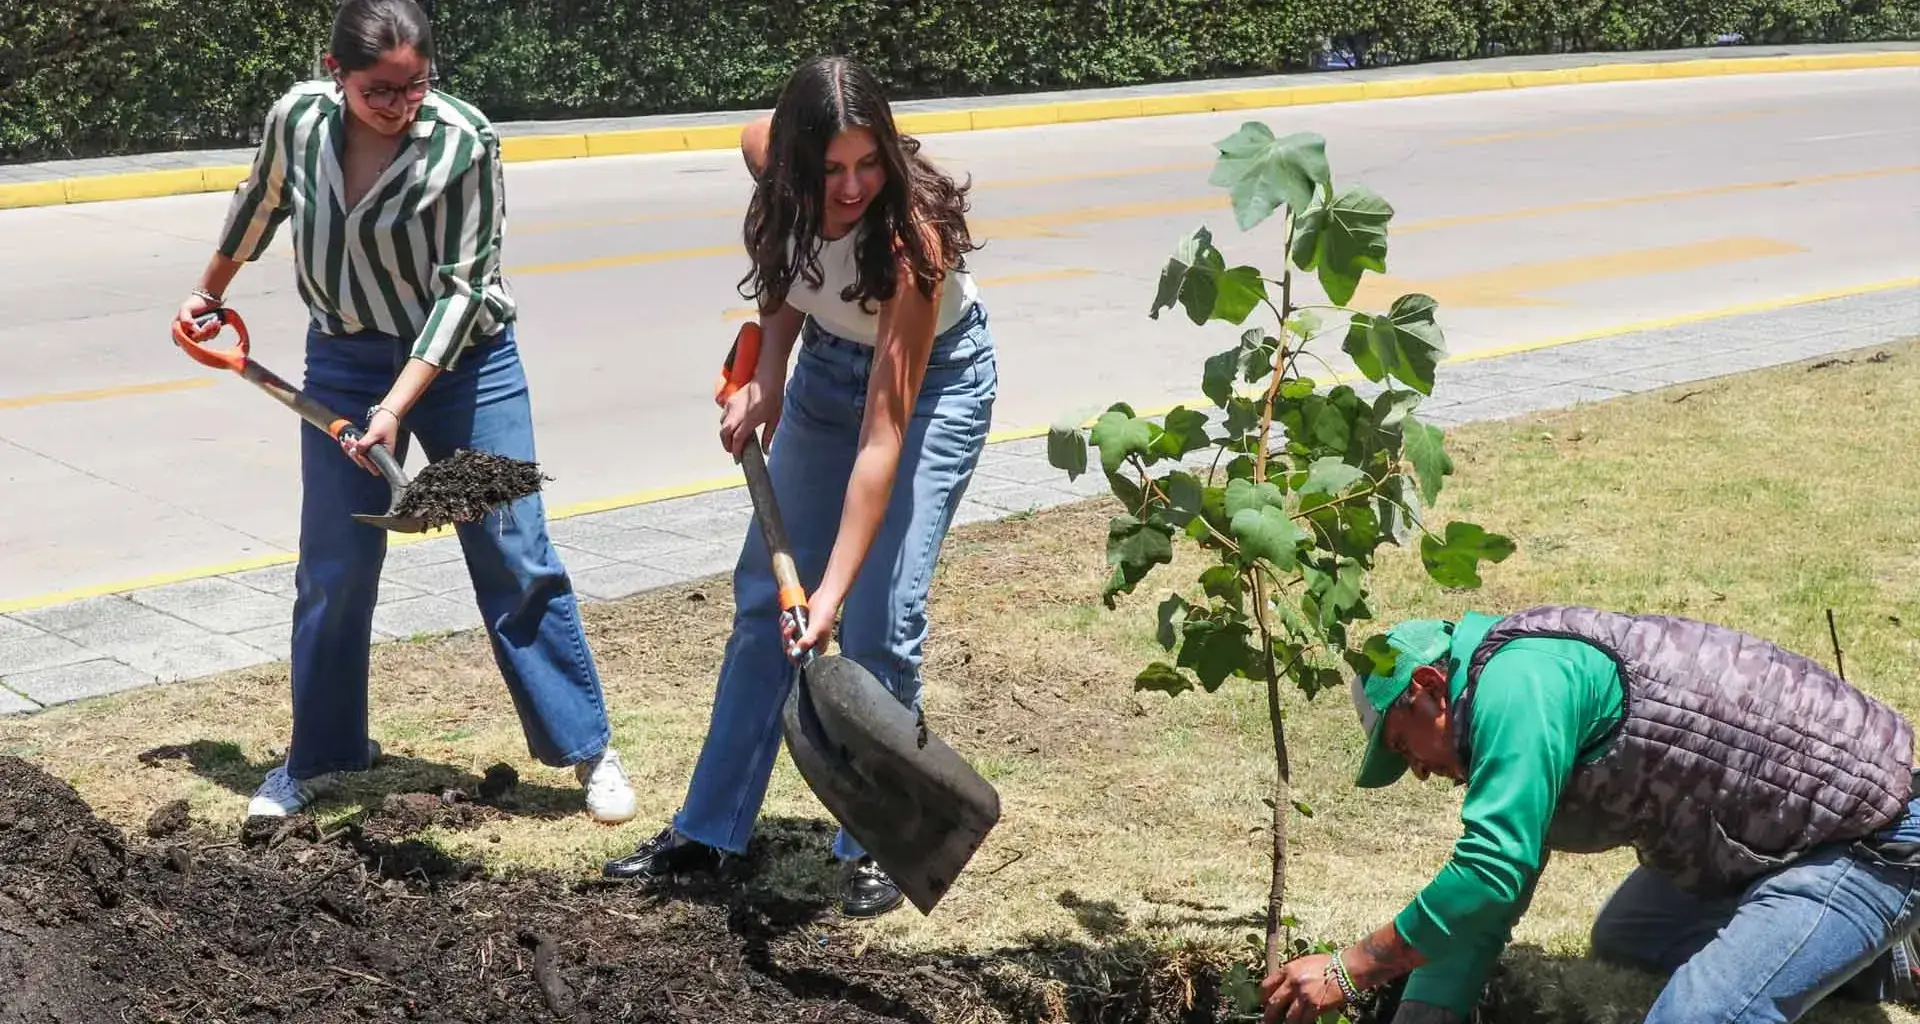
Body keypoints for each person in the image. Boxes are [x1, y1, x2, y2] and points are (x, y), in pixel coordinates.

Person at [174, 0, 635, 826]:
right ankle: (323, 754)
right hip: (344, 359)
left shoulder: (464, 140)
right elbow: (259, 203)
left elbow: (464, 290)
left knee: (513, 550)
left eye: (414, 85)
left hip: (467, 366)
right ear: (336, 74)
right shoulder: (297, 121)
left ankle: (587, 749)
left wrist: (393, 407)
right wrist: (208, 293)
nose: (399, 105)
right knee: (334, 566)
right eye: (378, 91)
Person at [600, 54, 997, 919]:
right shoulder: (766, 151)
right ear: (792, 161)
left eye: (869, 163)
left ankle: (876, 846)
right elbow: (785, 263)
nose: (851, 187)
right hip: (823, 369)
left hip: (934, 389)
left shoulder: (911, 244)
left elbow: (883, 442)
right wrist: (769, 375)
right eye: (830, 169)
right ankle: (709, 832)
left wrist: (831, 595)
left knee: (881, 617)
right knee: (762, 607)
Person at [1258, 604, 1920, 1023]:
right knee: (1629, 938)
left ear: (1429, 687)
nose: (1421, 772)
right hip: (1768, 840)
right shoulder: (1504, 694)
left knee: (1696, 1014)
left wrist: (1351, 969)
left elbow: (1489, 871)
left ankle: (1869, 927)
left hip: (1869, 836)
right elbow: (1490, 903)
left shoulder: (1520, 685)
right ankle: (1893, 964)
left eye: (1406, 748)